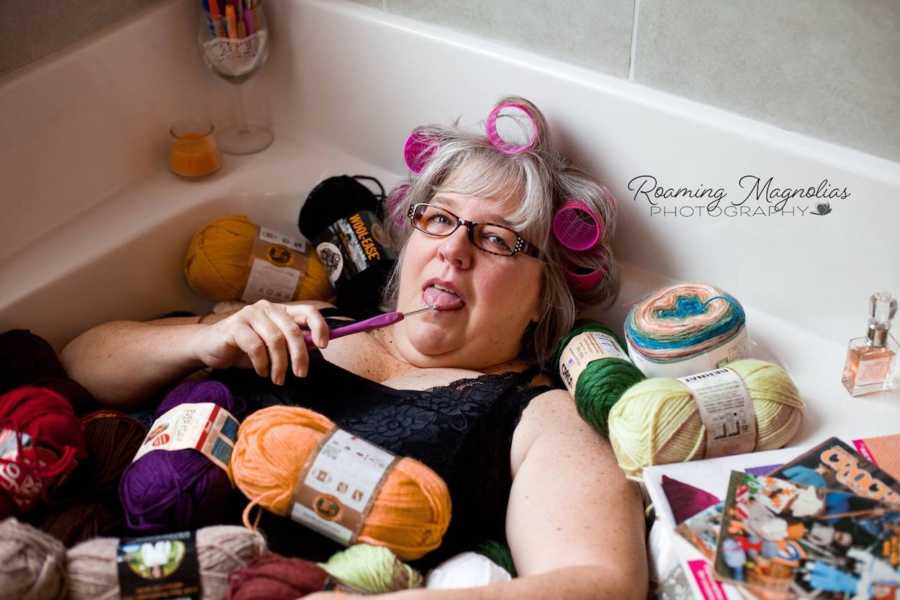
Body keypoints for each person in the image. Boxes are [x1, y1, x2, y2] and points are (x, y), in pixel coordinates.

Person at [61, 97, 647, 599]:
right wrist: (204, 339)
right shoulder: (311, 320)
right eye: (440, 218)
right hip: (86, 560)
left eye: (495, 238)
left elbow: (602, 580)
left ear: (546, 294)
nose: (453, 250)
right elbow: (79, 365)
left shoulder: (540, 414)